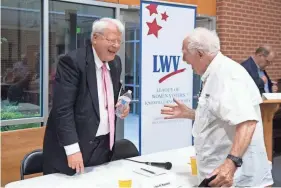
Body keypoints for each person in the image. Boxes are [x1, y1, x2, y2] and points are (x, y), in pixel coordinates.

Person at [161, 28, 273, 187]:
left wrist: (231, 164)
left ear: (200, 53)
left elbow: (248, 122)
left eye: (185, 53)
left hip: (234, 177)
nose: (183, 59)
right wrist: (192, 114)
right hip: (218, 174)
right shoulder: (214, 73)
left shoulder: (226, 76)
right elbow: (221, 114)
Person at [43, 18, 130, 175]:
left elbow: (112, 92)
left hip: (103, 147)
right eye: (111, 40)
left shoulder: (115, 63)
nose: (116, 46)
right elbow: (62, 109)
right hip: (73, 149)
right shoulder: (73, 62)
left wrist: (121, 106)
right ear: (95, 38)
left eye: (119, 41)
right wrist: (72, 149)